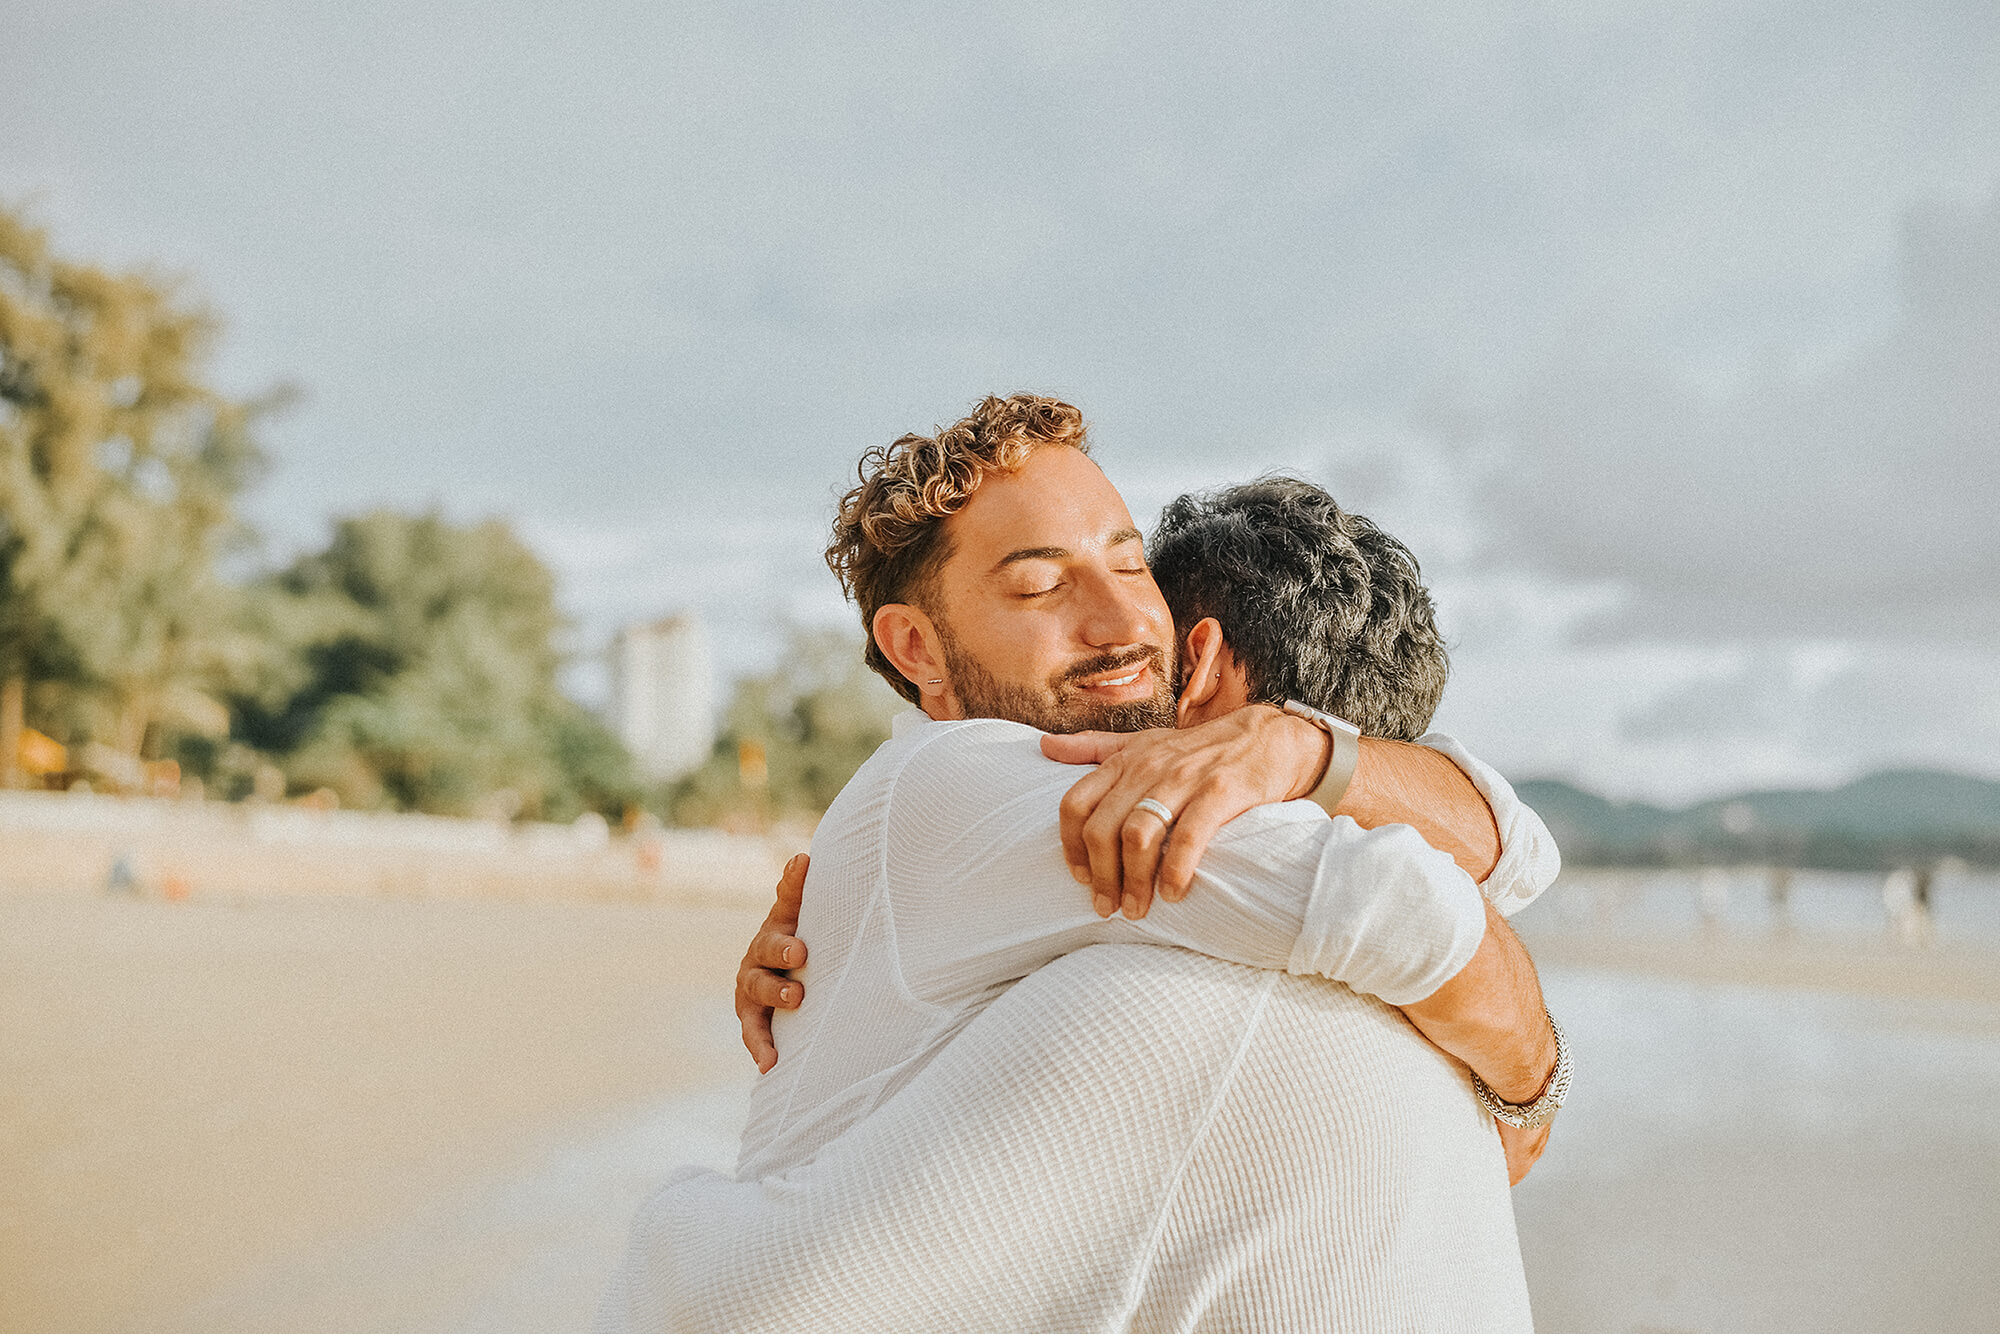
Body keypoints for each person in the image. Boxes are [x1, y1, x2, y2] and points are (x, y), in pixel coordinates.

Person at [598, 398, 1561, 1330]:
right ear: (915, 648)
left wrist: (1299, 750)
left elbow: (1499, 856)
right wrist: (1523, 1084)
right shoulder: (952, 780)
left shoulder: (1129, 918)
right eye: (1038, 584)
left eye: (1130, 564)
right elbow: (1422, 903)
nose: (1119, 623)